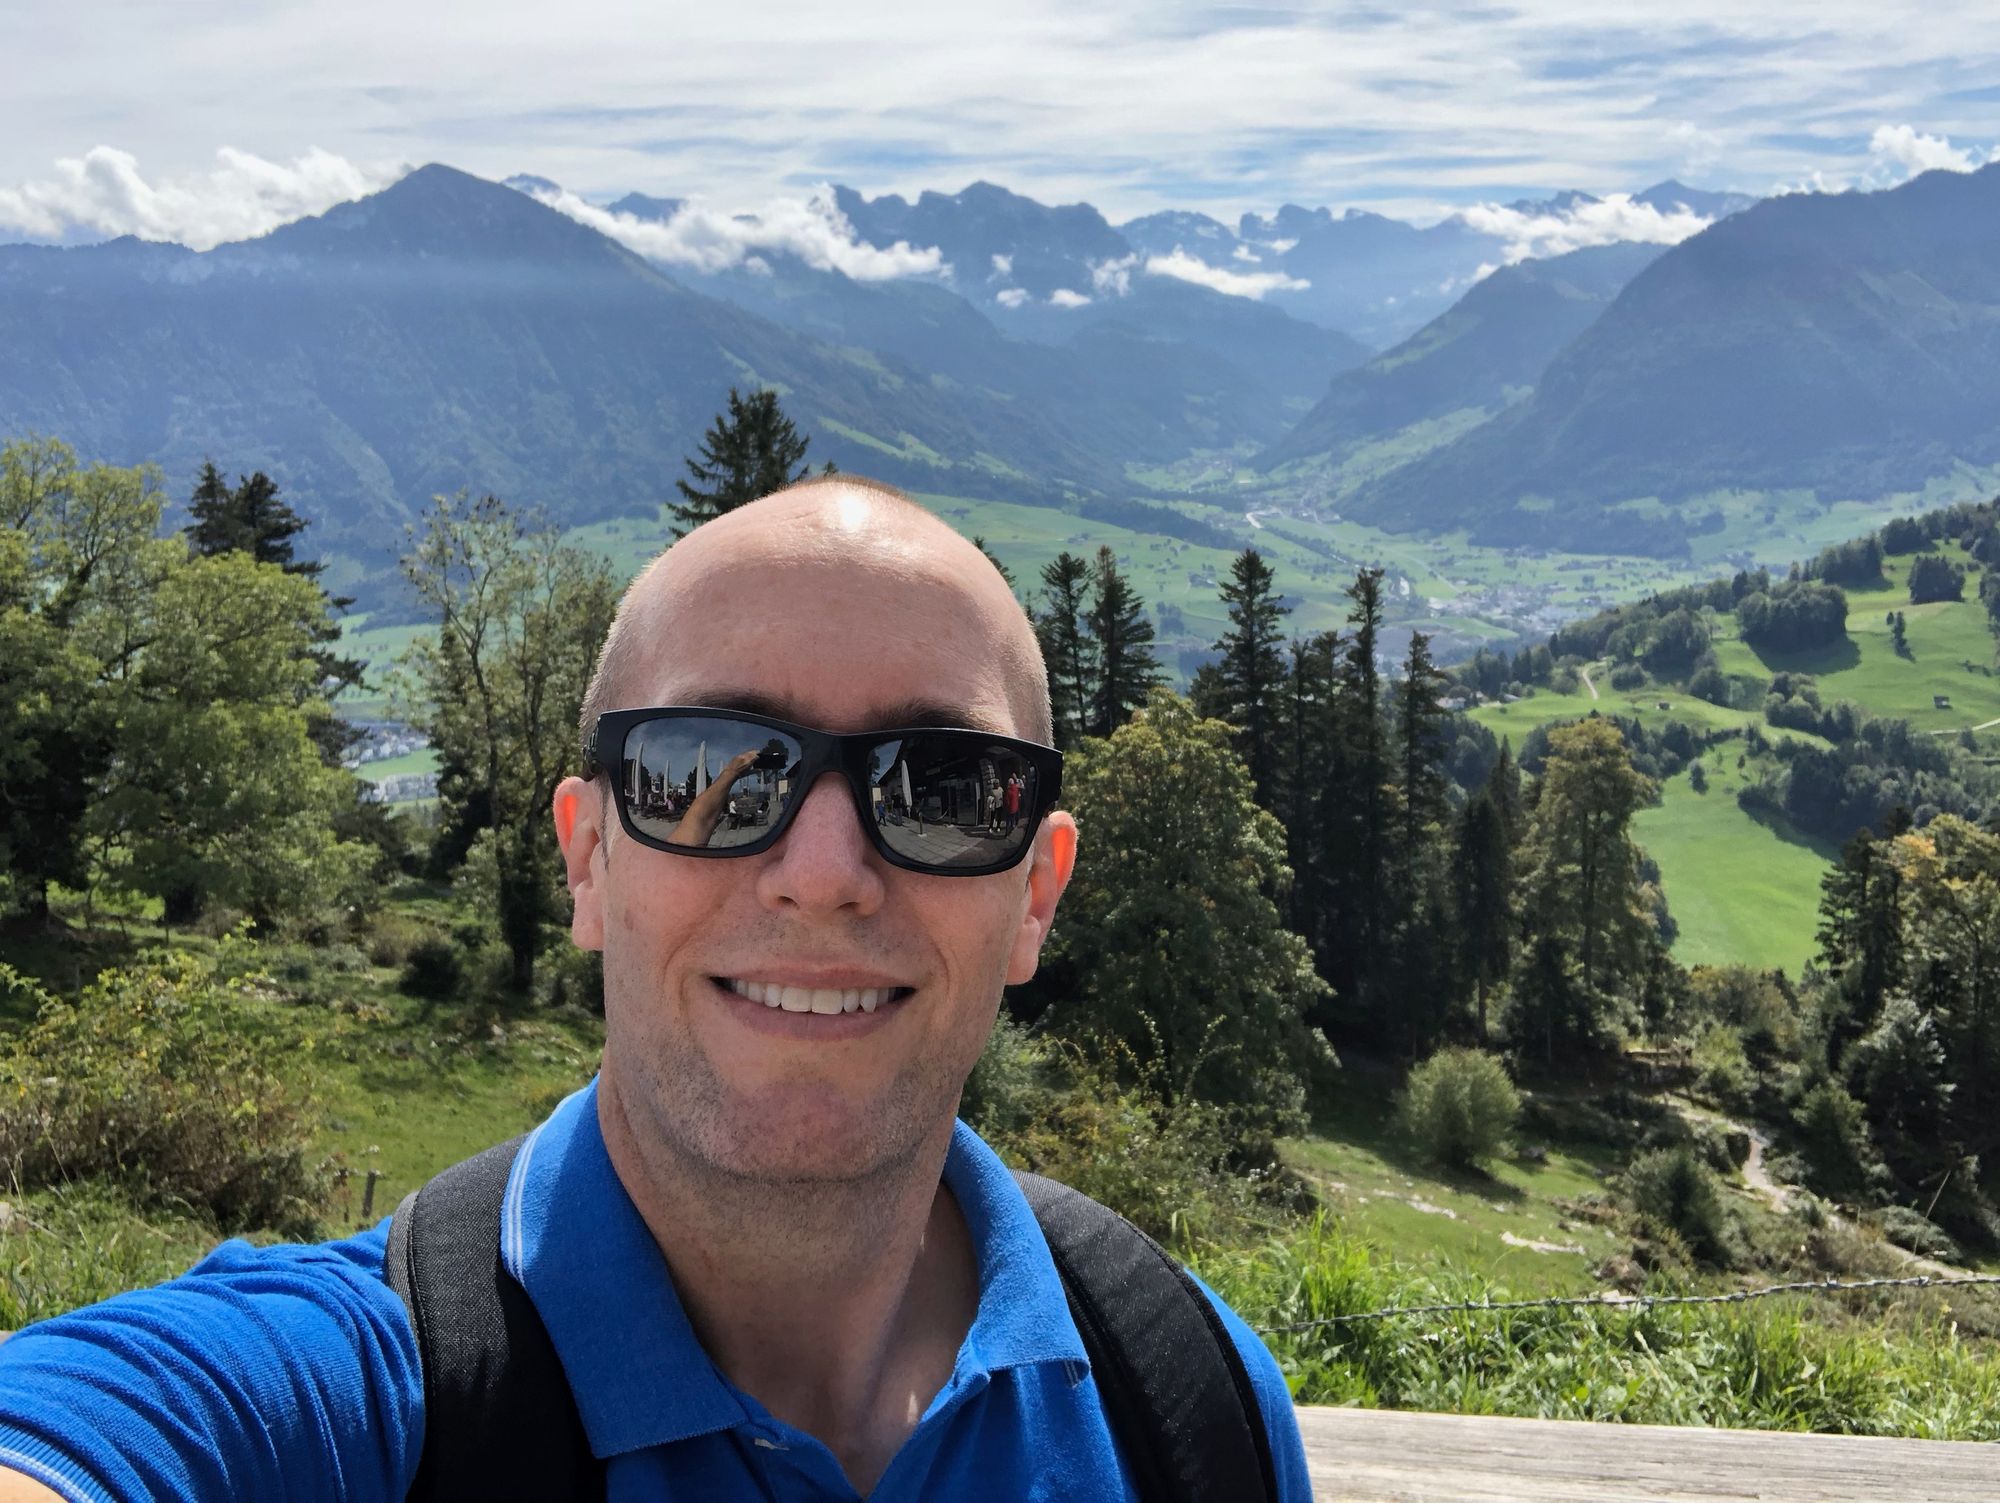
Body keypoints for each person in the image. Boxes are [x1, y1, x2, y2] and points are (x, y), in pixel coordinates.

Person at [0, 477, 1311, 1501]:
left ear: (1034, 893)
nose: (822, 874)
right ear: (587, 859)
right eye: (707, 771)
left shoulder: (1192, 1401)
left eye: (946, 790)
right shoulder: (348, 1397)